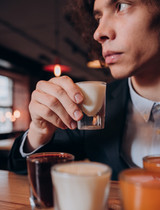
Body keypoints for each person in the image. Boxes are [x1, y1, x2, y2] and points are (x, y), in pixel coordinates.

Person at [8, 0, 160, 180]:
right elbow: (22, 170)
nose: (98, 33)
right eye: (98, 17)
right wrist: (38, 131)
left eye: (121, 6)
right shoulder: (94, 104)